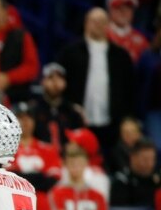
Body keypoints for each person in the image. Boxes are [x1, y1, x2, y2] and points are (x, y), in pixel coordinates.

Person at [56, 8, 134, 148]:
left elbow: (129, 90)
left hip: (112, 124)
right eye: (94, 21)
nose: (98, 25)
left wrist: (126, 119)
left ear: (108, 24)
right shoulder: (70, 52)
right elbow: (59, 82)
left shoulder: (121, 56)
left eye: (102, 21)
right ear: (86, 23)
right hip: (77, 120)